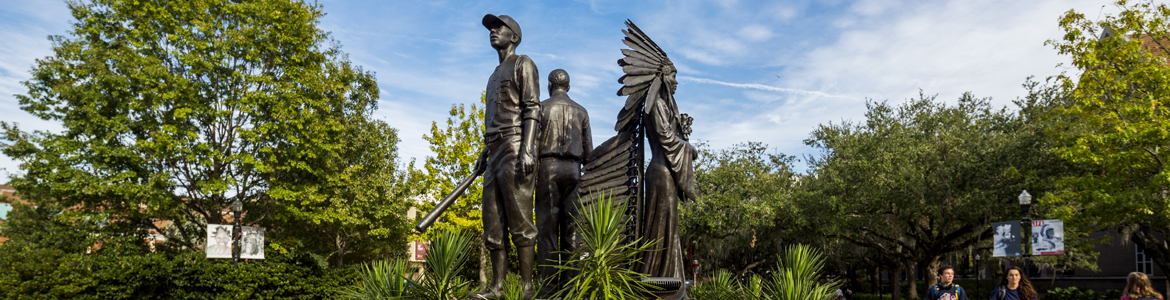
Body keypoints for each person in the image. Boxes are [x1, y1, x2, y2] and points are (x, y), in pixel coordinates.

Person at [470, 13, 542, 300]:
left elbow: (532, 108)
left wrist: (527, 149)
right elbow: (493, 118)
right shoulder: (492, 76)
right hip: (495, 149)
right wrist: (485, 150)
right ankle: (497, 288)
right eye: (491, 28)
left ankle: (527, 287)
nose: (493, 31)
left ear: (514, 36)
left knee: (521, 220)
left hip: (514, 146)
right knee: (493, 222)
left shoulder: (523, 63)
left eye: (499, 27)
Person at [534, 69, 592, 298]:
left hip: (548, 168)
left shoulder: (541, 108)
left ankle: (548, 290)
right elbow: (589, 153)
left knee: (546, 232)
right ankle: (570, 290)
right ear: (568, 86)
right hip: (574, 170)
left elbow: (532, 143)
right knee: (572, 231)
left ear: (550, 85)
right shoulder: (582, 111)